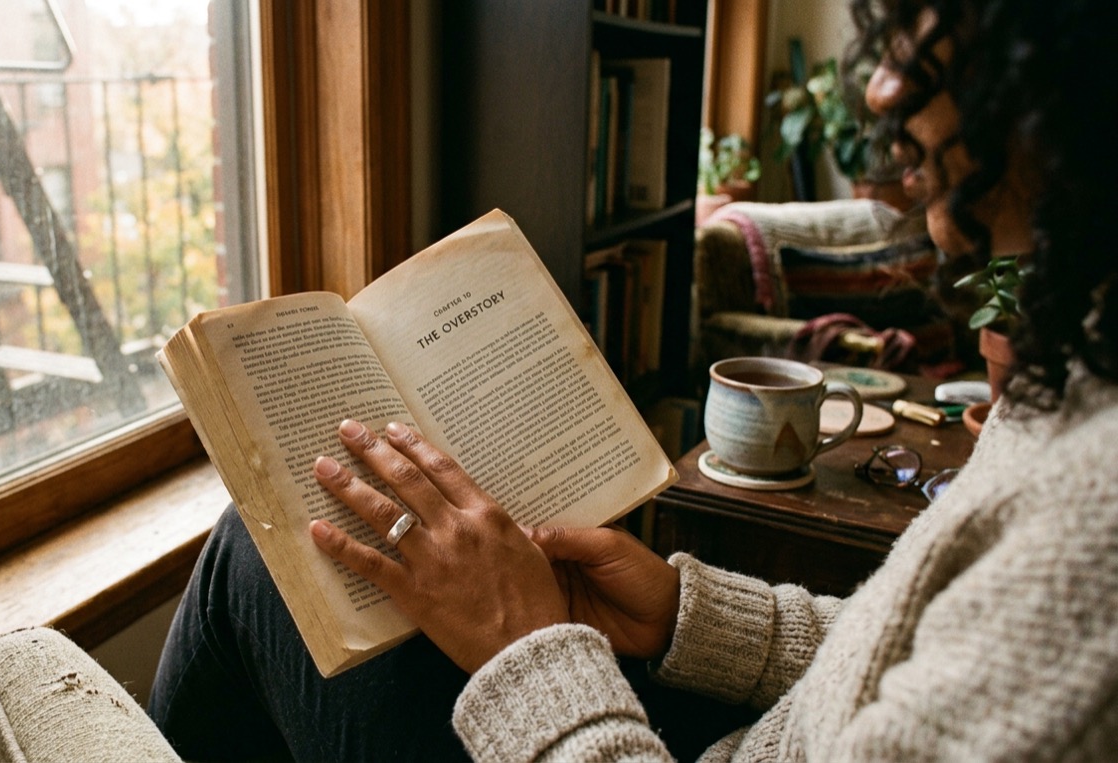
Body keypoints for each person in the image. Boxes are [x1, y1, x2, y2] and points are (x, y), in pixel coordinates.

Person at [149, 0, 1118, 759]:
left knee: (261, 558)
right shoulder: (1078, 383)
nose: (883, 80)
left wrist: (526, 645)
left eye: (997, 246)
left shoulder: (1094, 541)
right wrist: (685, 616)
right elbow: (919, 653)